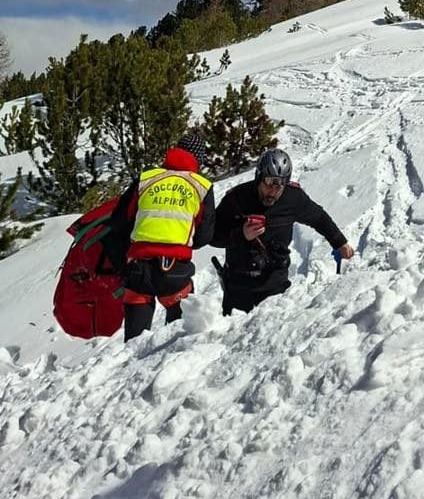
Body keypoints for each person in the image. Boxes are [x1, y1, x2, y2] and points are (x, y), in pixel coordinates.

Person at [211, 147, 354, 315]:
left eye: (279, 185)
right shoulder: (236, 199)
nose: (273, 190)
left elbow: (319, 218)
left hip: (275, 285)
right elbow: (213, 236)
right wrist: (241, 234)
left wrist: (341, 243)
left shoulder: (293, 198)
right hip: (238, 286)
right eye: (269, 182)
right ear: (259, 177)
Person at [107, 130, 216, 342]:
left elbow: (119, 224)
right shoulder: (201, 187)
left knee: (132, 347)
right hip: (174, 273)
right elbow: (204, 236)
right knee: (174, 344)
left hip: (138, 270)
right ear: (199, 160)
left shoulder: (146, 178)